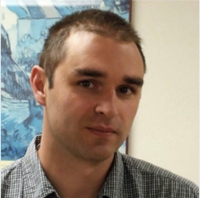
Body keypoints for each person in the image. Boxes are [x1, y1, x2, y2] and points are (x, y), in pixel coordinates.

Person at [1, 9, 198, 198]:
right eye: (87, 84)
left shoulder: (179, 194)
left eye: (125, 90)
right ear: (40, 86)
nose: (109, 109)